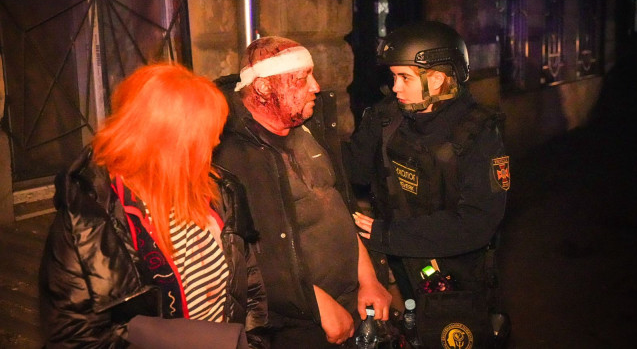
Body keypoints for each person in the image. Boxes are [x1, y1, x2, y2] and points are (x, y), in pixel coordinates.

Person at [39, 63, 268, 349]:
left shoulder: (221, 190)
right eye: (205, 132)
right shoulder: (88, 222)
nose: (216, 140)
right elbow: (74, 337)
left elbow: (252, 289)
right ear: (165, 141)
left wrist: (251, 343)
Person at [214, 36, 391, 348]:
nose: (316, 87)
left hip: (349, 301)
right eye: (301, 78)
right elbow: (250, 253)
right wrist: (317, 304)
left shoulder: (307, 130)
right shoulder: (233, 155)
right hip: (296, 323)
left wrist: (369, 279)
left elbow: (337, 207)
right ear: (263, 88)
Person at [344, 21, 509, 340]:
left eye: (404, 77)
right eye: (393, 77)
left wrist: (387, 234)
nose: (395, 87)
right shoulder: (387, 117)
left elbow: (477, 222)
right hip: (395, 267)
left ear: (436, 78)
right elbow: (354, 171)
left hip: (454, 279)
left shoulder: (479, 133)